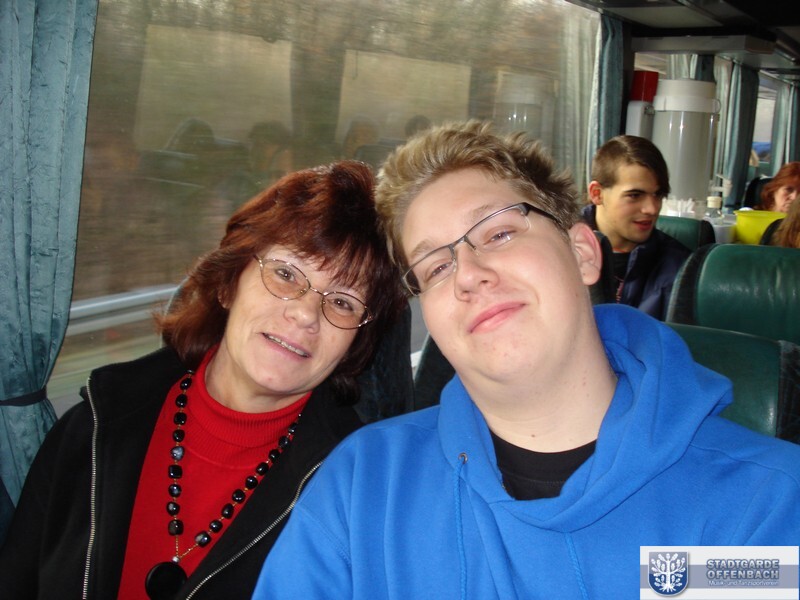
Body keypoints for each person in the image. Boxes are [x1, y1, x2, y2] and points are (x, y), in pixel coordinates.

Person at [252, 121, 800, 599]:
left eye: (499, 232)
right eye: (436, 267)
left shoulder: (764, 506)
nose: (468, 275)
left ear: (582, 253)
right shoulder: (363, 486)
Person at [0, 161, 407, 600]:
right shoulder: (95, 429)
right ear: (229, 284)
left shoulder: (358, 495)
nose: (306, 314)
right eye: (286, 274)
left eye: (343, 302)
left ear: (356, 343)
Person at [584, 135, 690, 320]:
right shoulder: (558, 250)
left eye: (658, 195)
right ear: (597, 194)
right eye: (634, 195)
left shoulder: (681, 269)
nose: (652, 209)